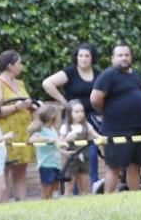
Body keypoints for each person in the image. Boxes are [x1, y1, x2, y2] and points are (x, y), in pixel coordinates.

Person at [90, 44, 141, 193]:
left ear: (131, 57)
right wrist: (110, 111)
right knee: (113, 167)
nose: (124, 58)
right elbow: (95, 99)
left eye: (126, 55)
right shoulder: (108, 74)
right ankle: (109, 201)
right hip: (117, 130)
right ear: (113, 59)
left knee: (135, 166)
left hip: (139, 129)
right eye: (120, 55)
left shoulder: (135, 75)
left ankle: (135, 200)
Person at [42, 43, 101, 185]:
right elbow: (47, 83)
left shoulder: (98, 74)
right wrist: (64, 102)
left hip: (91, 119)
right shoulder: (70, 72)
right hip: (73, 121)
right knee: (75, 155)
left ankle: (92, 185)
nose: (84, 59)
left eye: (87, 56)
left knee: (92, 154)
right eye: (80, 56)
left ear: (92, 58)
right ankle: (73, 191)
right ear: (76, 57)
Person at [0, 50, 36, 201]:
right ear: (10, 66)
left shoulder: (20, 83)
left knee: (21, 169)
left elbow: (25, 104)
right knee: (5, 169)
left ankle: (21, 204)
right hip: (6, 133)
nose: (21, 66)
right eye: (19, 63)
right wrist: (17, 107)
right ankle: (3, 204)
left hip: (22, 132)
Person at [59, 99, 102, 195]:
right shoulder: (65, 127)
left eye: (82, 111)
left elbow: (98, 136)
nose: (80, 114)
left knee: (84, 187)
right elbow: (59, 144)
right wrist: (67, 139)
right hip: (72, 161)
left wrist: (105, 139)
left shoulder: (87, 125)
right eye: (76, 112)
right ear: (70, 113)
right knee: (69, 188)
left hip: (85, 160)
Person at [28, 102, 63, 200]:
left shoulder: (53, 130)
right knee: (47, 188)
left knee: (55, 188)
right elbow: (32, 140)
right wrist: (47, 139)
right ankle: (44, 204)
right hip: (46, 164)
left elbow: (56, 146)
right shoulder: (41, 129)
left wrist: (66, 152)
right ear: (52, 117)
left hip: (56, 164)